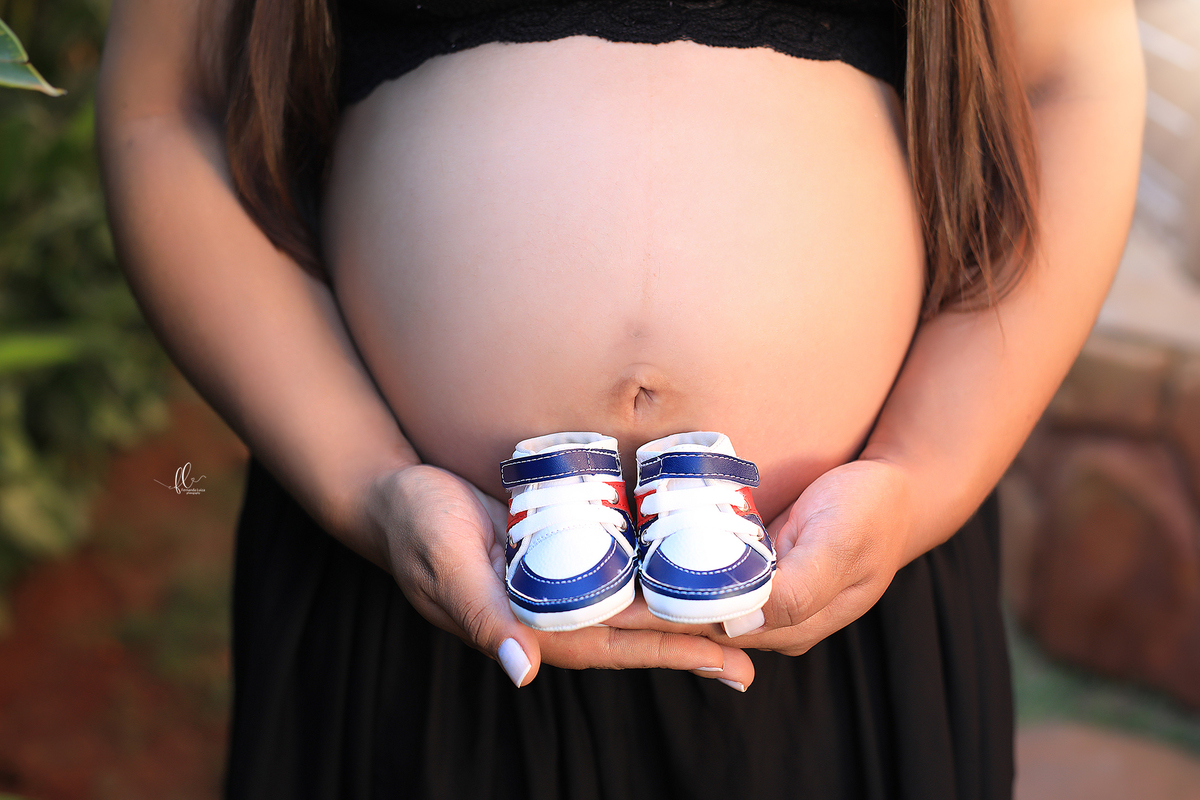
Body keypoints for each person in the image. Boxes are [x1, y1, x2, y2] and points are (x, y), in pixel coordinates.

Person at [95, 0, 1144, 795]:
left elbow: (1072, 83)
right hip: (404, 599)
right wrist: (368, 484)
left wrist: (928, 474)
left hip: (840, 611)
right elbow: (163, 106)